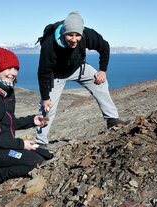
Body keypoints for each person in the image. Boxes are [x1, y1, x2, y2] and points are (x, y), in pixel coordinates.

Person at [36, 11, 129, 147]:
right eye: (70, 35)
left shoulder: (88, 35)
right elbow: (43, 72)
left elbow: (105, 47)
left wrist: (102, 70)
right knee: (47, 107)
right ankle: (40, 143)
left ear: (82, 33)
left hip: (78, 68)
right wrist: (45, 97)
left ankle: (112, 120)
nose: (74, 39)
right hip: (55, 75)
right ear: (63, 33)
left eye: (77, 35)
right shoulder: (49, 45)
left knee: (100, 84)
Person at [0, 47, 51, 193]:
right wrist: (20, 144)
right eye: (8, 68)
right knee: (35, 162)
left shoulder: (6, 90)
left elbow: (8, 122)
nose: (13, 73)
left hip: (4, 145)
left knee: (45, 154)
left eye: (15, 68)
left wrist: (31, 121)